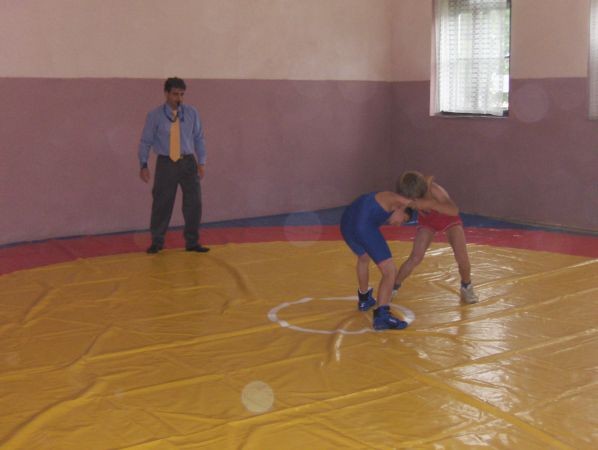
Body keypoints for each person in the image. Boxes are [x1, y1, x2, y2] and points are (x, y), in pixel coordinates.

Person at [138, 77, 209, 254]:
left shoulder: (192, 113)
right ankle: (157, 241)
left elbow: (199, 138)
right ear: (166, 93)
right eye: (175, 94)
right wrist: (143, 164)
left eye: (182, 94)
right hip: (166, 163)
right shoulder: (154, 115)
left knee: (194, 203)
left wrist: (201, 162)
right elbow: (146, 141)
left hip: (188, 162)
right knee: (162, 203)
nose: (179, 98)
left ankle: (192, 241)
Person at [394, 171, 478, 304]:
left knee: (462, 258)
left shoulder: (435, 190)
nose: (413, 200)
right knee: (415, 257)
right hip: (428, 222)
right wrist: (401, 211)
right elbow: (398, 204)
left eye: (415, 197)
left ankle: (466, 285)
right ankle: (393, 287)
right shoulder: (408, 193)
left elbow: (454, 210)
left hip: (449, 220)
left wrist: (431, 204)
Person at [341, 191, 414, 330]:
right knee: (390, 271)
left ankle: (364, 298)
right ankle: (382, 316)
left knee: (363, 258)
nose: (399, 224)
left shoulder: (385, 202)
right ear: (400, 208)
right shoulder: (394, 200)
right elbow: (414, 201)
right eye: (403, 220)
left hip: (347, 225)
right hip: (362, 225)